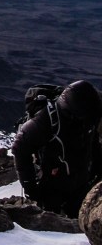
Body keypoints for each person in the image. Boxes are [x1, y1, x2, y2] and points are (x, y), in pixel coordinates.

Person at [13, 79, 102, 217]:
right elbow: (20, 148)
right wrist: (30, 186)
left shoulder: (87, 115)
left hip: (80, 179)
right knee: (52, 226)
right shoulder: (46, 120)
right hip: (52, 185)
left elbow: (93, 143)